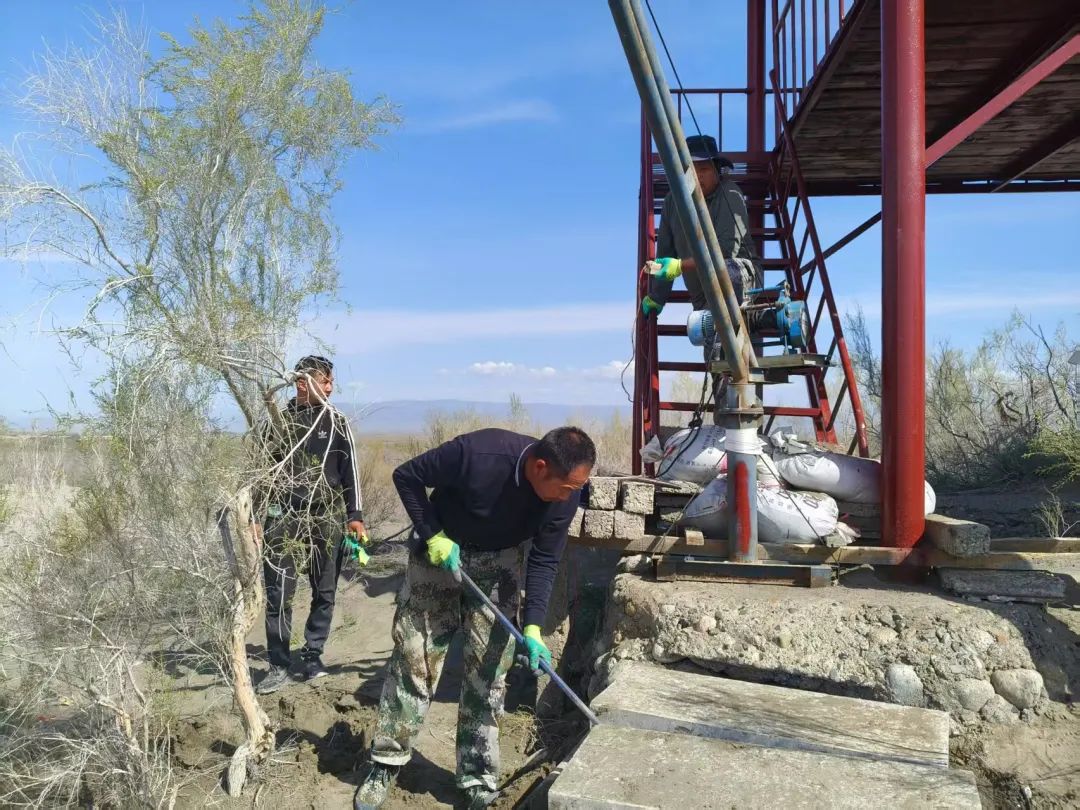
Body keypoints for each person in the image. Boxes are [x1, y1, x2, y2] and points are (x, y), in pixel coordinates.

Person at [354, 426, 596, 810]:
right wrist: (433, 534)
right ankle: (386, 763)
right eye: (567, 487)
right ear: (540, 467)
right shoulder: (478, 453)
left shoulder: (566, 496)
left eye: (576, 489)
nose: (570, 496)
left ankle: (477, 780)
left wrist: (533, 626)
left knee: (489, 674)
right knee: (415, 661)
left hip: (499, 564)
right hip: (439, 556)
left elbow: (545, 559)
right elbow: (406, 476)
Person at [253, 355, 366, 694]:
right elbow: (261, 471)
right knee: (278, 591)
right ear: (303, 383)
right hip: (282, 514)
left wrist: (355, 516)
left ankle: (312, 655)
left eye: (331, 381)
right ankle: (278, 664)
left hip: (326, 513)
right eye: (324, 380)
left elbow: (350, 470)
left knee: (325, 588)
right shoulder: (279, 421)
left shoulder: (337, 421)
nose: (330, 388)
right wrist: (255, 517)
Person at [642, 133, 763, 419]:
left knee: (728, 278)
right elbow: (665, 254)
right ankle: (725, 424)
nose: (698, 176)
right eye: (691, 170)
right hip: (705, 298)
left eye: (705, 169)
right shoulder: (673, 202)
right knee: (717, 361)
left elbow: (723, 253)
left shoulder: (730, 194)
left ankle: (749, 422)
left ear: (718, 170)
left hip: (741, 282)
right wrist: (656, 297)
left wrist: (679, 266)